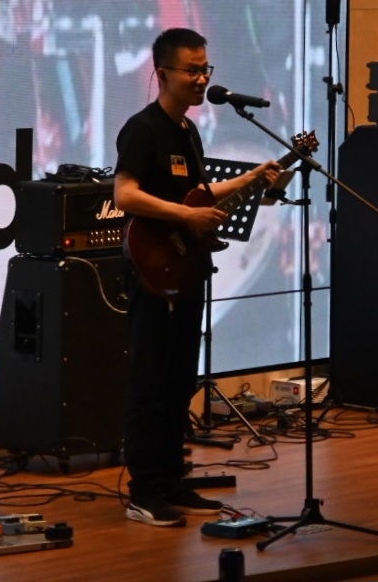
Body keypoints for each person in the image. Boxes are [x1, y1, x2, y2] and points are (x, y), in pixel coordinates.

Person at [113, 27, 280, 526]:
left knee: (180, 378)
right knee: (150, 379)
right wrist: (186, 217)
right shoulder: (142, 129)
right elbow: (125, 194)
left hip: (185, 268)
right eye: (192, 70)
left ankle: (171, 479)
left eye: (205, 68)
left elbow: (201, 195)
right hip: (150, 268)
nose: (202, 78)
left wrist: (252, 179)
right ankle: (143, 490)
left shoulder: (188, 130)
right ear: (162, 73)